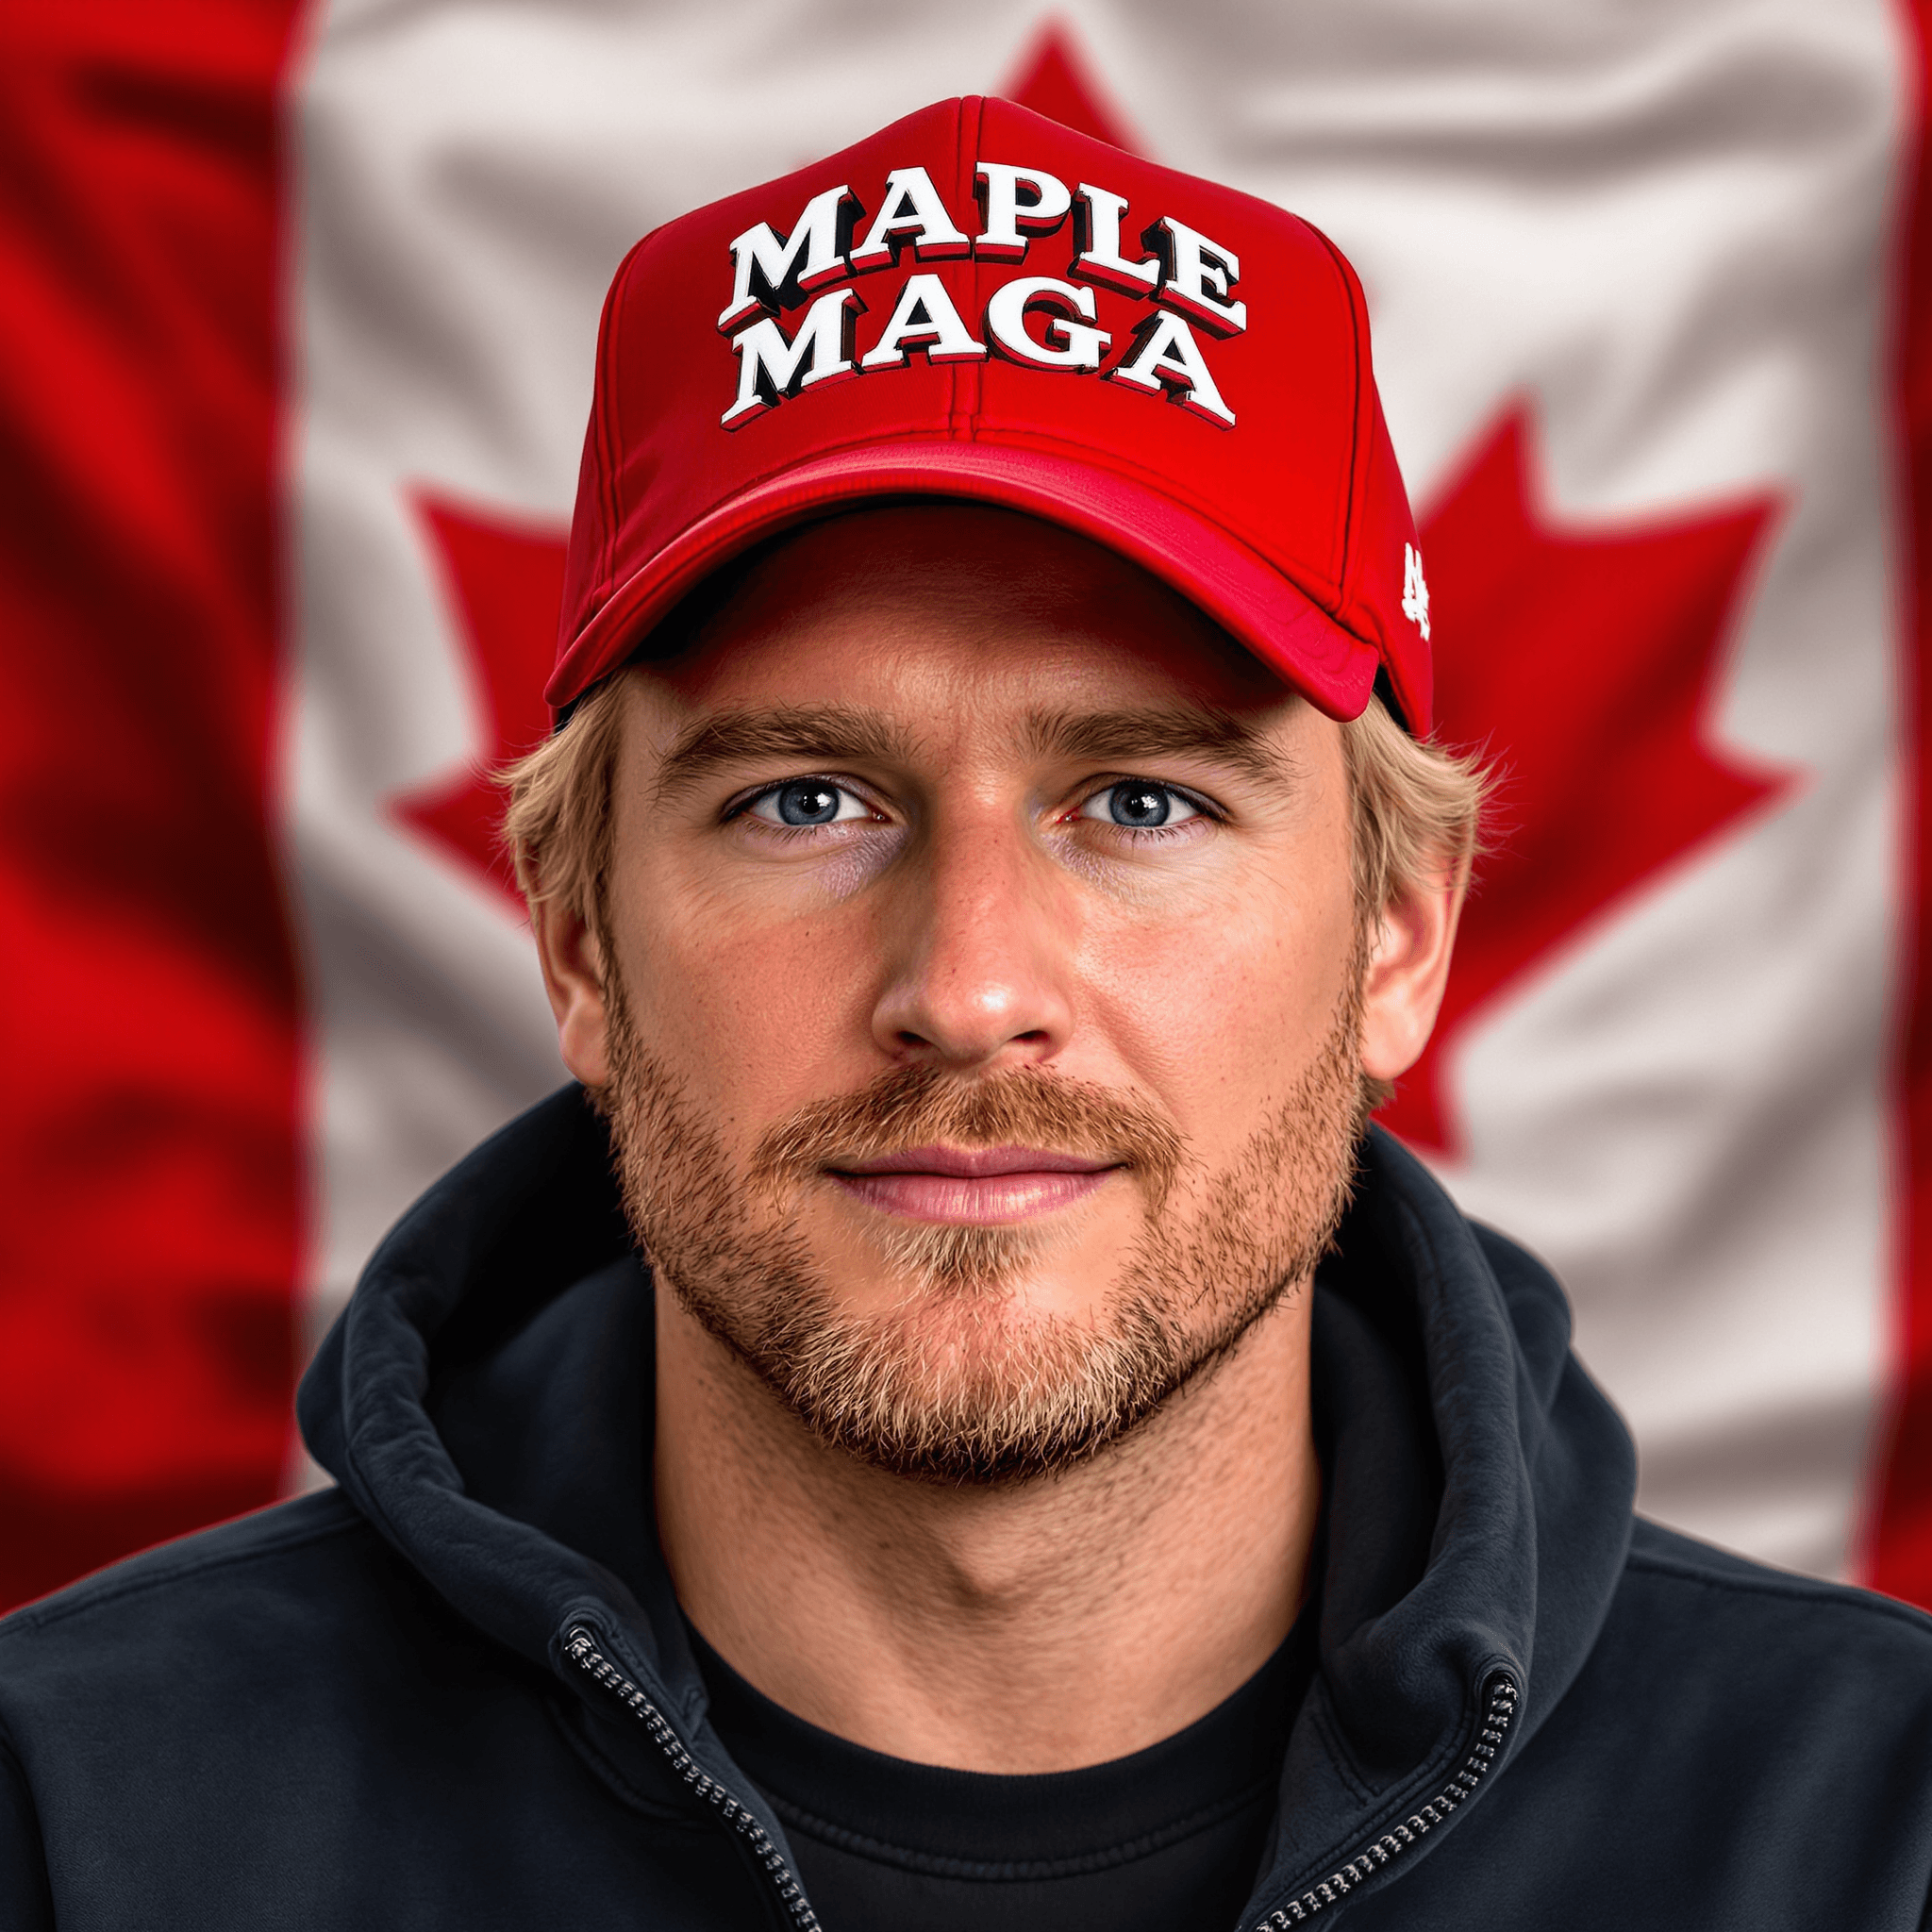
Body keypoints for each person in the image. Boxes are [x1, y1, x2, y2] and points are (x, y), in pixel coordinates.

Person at [3, 95, 1930, 1932]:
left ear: (1396, 941)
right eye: (802, 801)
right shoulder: (78, 1815)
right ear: (579, 940)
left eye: (1143, 802)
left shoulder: (1868, 1828)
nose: (970, 988)